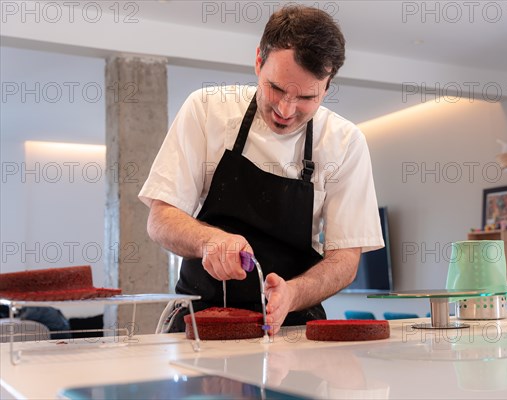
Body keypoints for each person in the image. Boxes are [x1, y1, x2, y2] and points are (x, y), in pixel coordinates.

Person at [139, 5, 383, 335]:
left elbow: (346, 260)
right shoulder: (206, 110)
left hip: (294, 326)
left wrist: (292, 294)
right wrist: (209, 240)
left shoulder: (345, 143)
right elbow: (160, 218)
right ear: (258, 60)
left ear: (327, 88)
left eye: (307, 97)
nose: (286, 110)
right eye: (276, 88)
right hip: (201, 324)